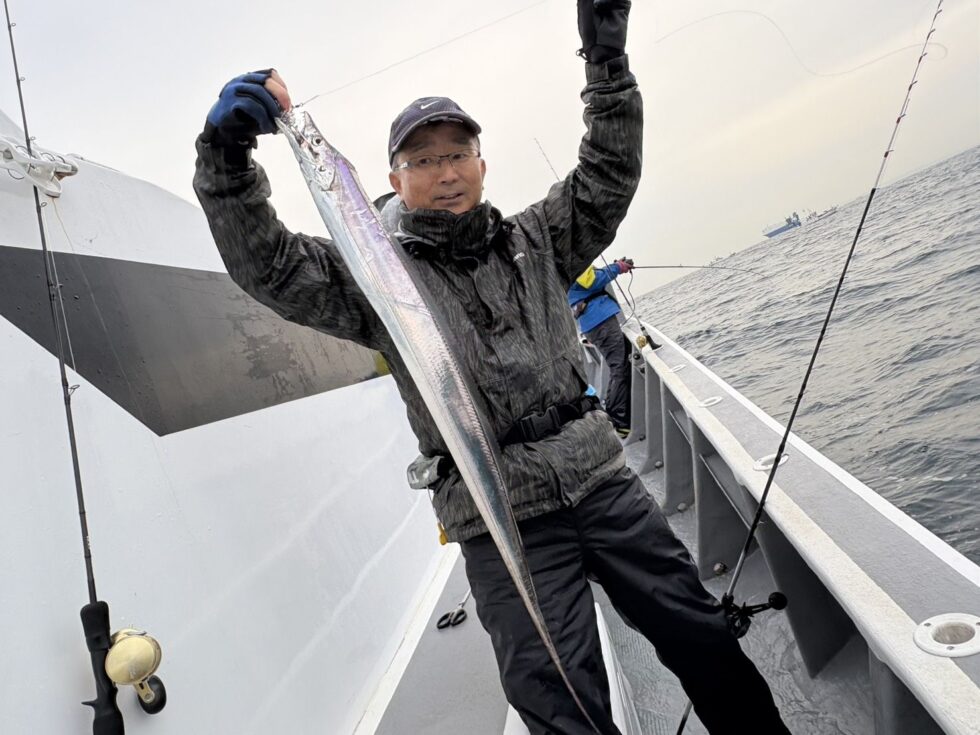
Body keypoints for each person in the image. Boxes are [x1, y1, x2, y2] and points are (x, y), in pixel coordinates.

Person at [193, 2, 789, 732]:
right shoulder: (372, 278)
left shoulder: (538, 238)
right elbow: (270, 265)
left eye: (457, 153)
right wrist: (225, 161)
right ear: (394, 179)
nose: (444, 172)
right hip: (499, 512)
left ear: (482, 163)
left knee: (704, 637)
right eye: (422, 160)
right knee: (558, 700)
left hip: (600, 480)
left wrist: (606, 63)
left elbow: (607, 173)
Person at [568, 258, 639, 438]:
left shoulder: (566, 262)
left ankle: (614, 415)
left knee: (617, 367)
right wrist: (618, 267)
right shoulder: (573, 259)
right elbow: (592, 280)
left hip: (594, 322)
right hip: (601, 321)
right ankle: (619, 420)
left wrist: (615, 266)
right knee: (619, 368)